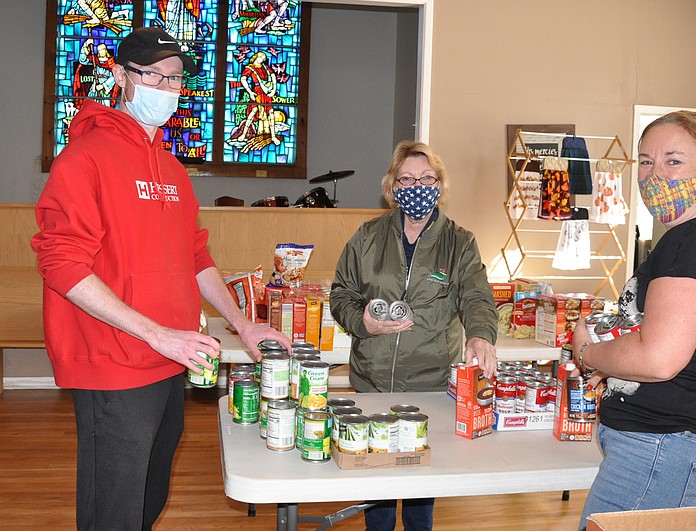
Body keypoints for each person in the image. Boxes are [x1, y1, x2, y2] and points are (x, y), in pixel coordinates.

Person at [31, 27, 291, 530]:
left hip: (172, 359)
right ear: (120, 76)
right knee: (115, 512)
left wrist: (243, 324)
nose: (168, 90)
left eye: (176, 81)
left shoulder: (172, 170)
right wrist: (156, 333)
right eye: (156, 76)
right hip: (117, 359)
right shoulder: (84, 157)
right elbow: (61, 263)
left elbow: (196, 255)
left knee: (149, 498)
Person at [571, 111, 696, 529]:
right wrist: (615, 362)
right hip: (670, 447)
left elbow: (659, 360)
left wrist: (589, 352)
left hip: (666, 448)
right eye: (645, 161)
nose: (654, 174)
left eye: (673, 161)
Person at [330, 140, 498, 531]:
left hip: (430, 386)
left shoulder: (459, 242)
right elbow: (342, 293)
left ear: (439, 183)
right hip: (373, 382)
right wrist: (362, 321)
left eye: (426, 178)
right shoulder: (367, 236)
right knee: (378, 486)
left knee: (422, 487)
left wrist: (480, 336)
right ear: (392, 186)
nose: (417, 186)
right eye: (406, 178)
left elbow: (476, 297)